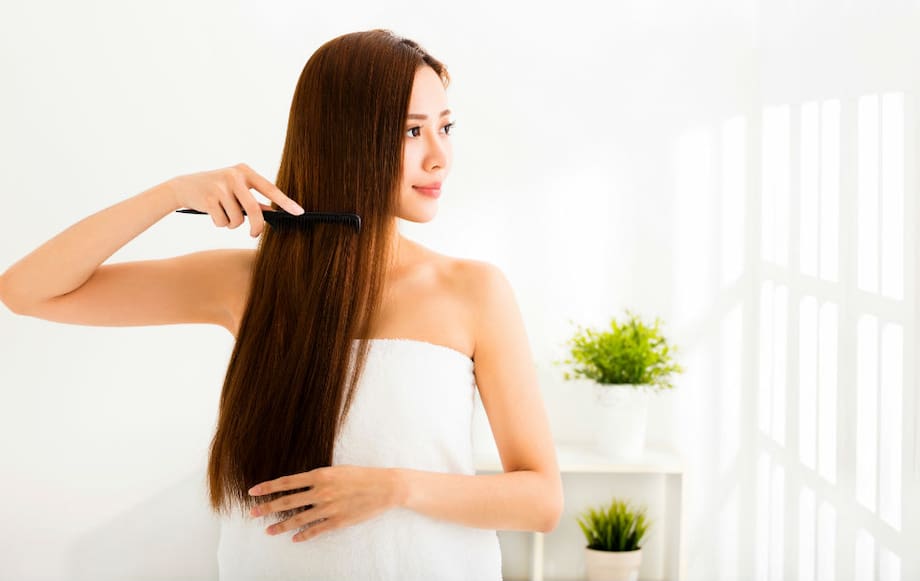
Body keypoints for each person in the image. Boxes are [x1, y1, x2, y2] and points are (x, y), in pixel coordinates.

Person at [0, 29, 563, 580]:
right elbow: (27, 290)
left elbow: (541, 500)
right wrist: (170, 195)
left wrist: (396, 487)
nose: (440, 157)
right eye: (412, 131)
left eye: (445, 127)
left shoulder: (474, 292)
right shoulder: (248, 283)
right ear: (344, 140)